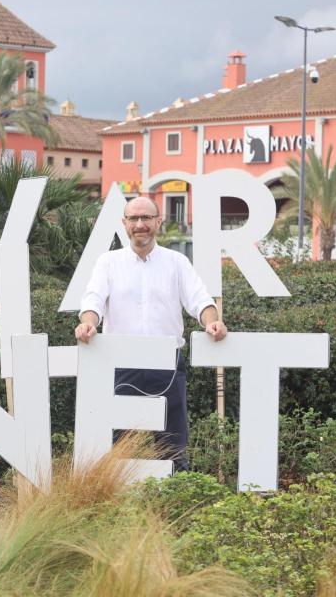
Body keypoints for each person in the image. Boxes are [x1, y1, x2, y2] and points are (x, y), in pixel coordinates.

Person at [74, 196, 226, 471]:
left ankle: (175, 499)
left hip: (166, 365)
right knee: (117, 444)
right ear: (124, 223)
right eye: (133, 219)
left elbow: (200, 300)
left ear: (158, 221)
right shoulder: (108, 262)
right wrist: (88, 323)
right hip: (120, 366)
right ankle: (116, 503)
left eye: (146, 218)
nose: (140, 224)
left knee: (172, 444)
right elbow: (93, 300)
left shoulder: (176, 262)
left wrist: (211, 322)